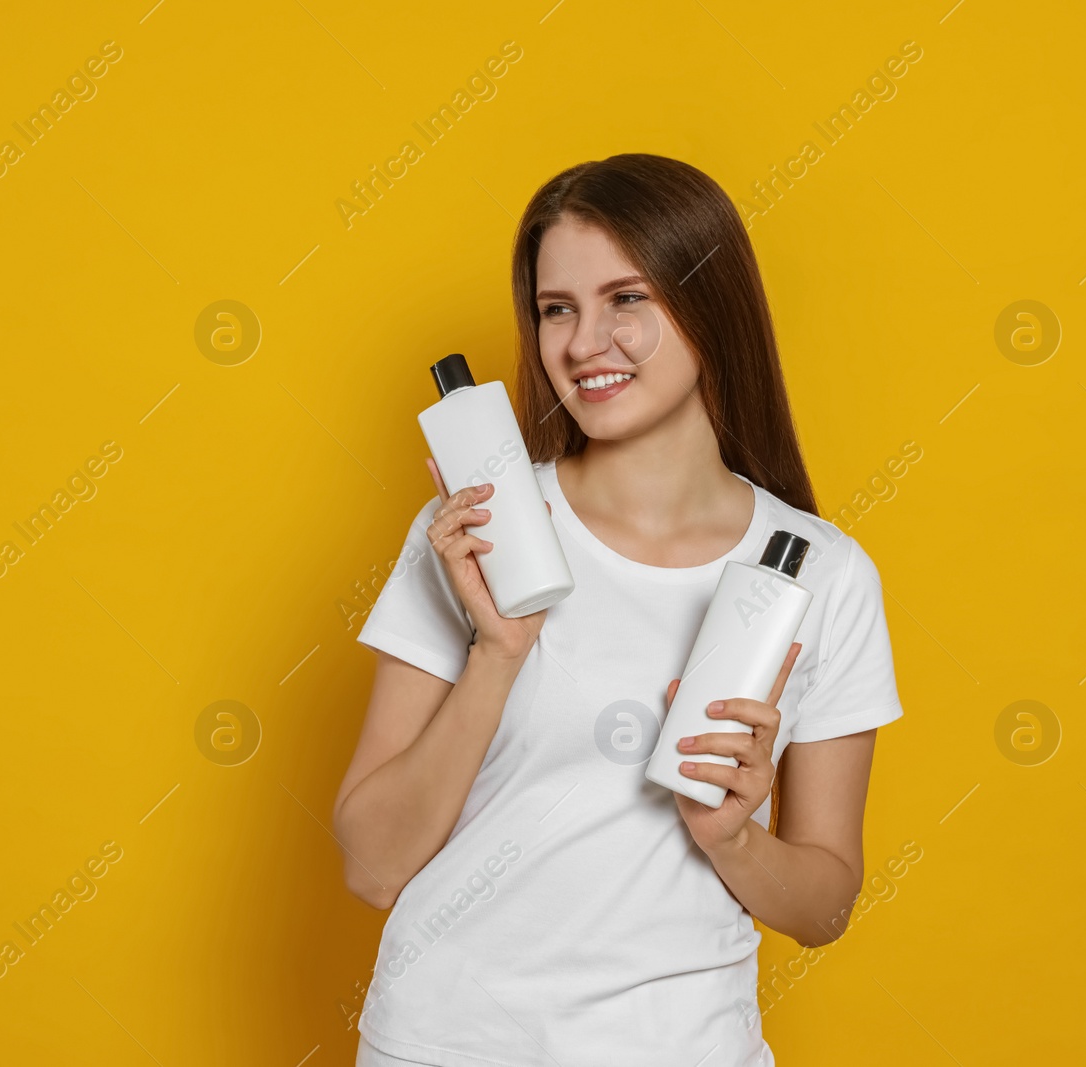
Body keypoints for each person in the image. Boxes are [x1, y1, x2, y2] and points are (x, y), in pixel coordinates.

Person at [332, 153, 904, 1067]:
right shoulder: (475, 534)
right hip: (445, 1043)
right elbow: (372, 866)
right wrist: (498, 652)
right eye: (557, 308)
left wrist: (734, 836)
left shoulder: (824, 576)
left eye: (625, 299)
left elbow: (824, 906)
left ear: (709, 303)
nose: (583, 341)